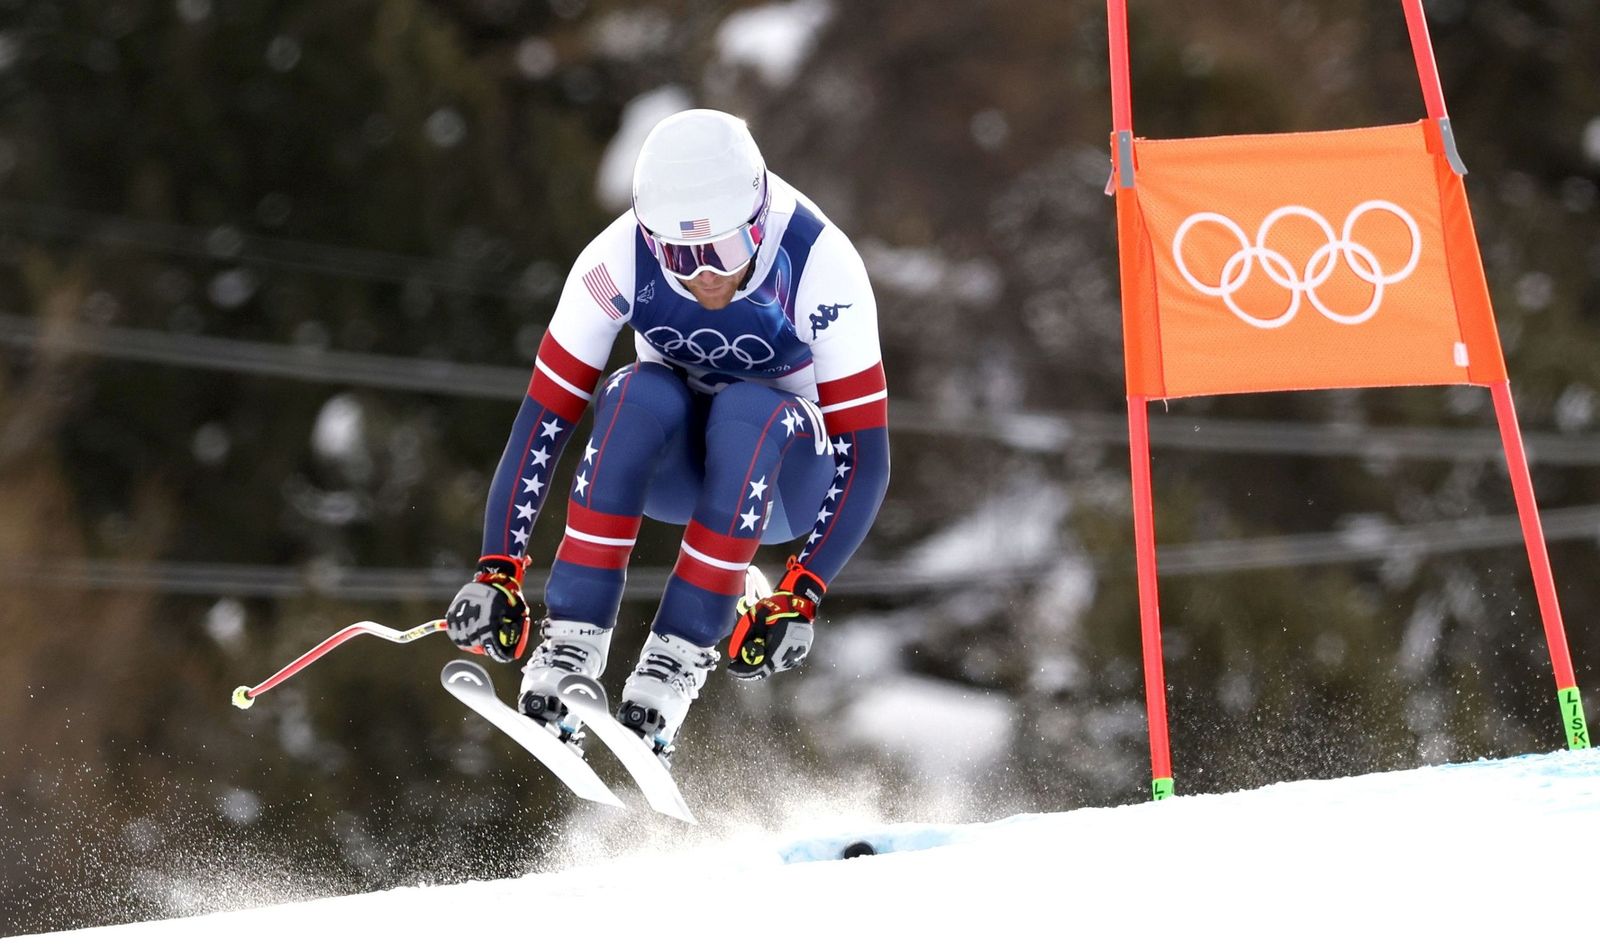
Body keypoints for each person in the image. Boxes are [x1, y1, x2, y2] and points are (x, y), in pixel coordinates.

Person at [443, 108, 889, 763]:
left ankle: (676, 661)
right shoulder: (614, 260)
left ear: (759, 224)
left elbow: (866, 458)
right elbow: (544, 418)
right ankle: (570, 643)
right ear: (651, 239)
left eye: (724, 252)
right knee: (633, 392)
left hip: (785, 483)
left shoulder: (821, 267)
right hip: (676, 471)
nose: (704, 275)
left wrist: (803, 590)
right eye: (679, 256)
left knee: (747, 408)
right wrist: (498, 569)